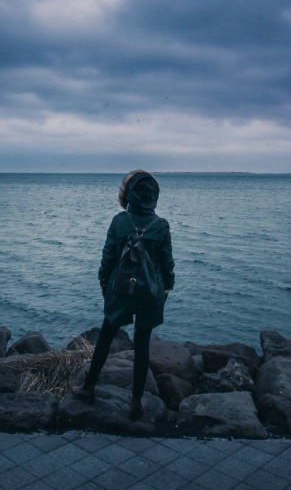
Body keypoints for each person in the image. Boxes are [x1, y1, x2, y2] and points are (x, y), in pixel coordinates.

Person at [71, 169, 175, 420]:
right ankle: (136, 402)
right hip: (151, 292)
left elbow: (107, 259)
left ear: (128, 194)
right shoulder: (161, 225)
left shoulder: (119, 222)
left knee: (106, 337)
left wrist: (105, 286)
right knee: (142, 346)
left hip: (121, 289)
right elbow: (167, 264)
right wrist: (166, 288)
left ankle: (88, 387)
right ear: (154, 195)